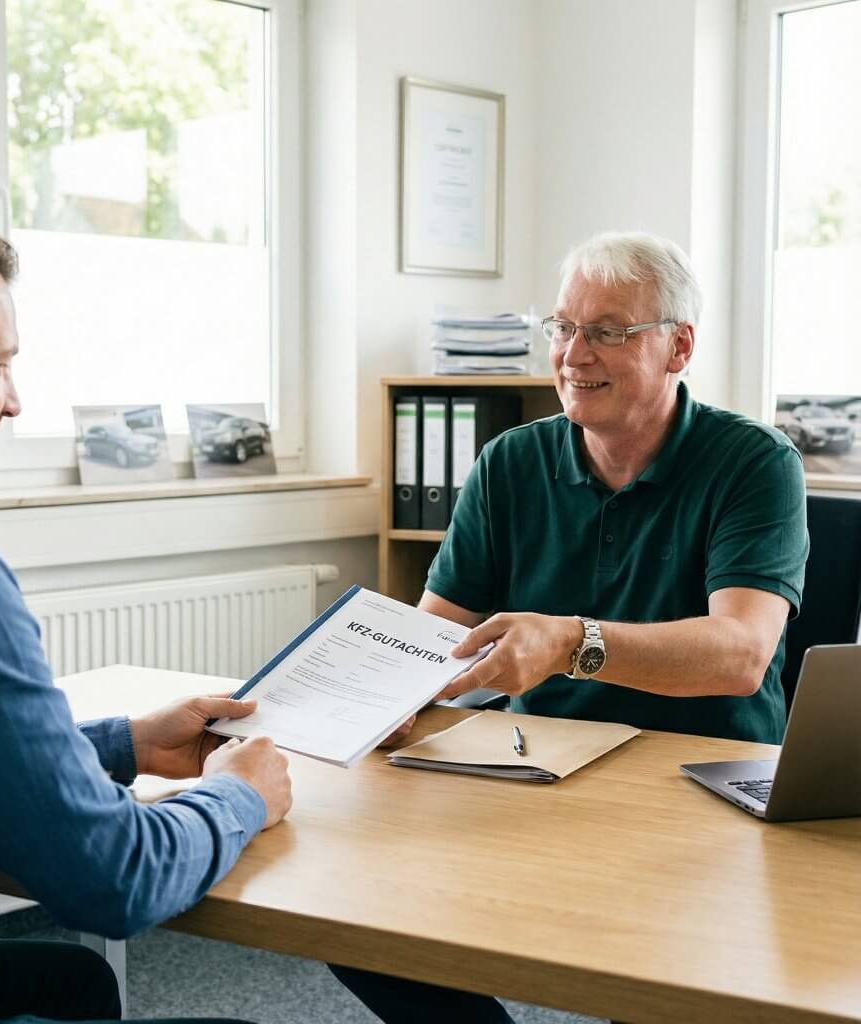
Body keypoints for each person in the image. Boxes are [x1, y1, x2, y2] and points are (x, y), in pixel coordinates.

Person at [329, 231, 809, 1024]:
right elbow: (435, 635)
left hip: (703, 790)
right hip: (536, 775)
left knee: (656, 984)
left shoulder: (755, 463)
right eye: (562, 327)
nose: (573, 354)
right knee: (355, 916)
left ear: (678, 346)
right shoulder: (510, 463)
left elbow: (740, 655)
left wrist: (570, 642)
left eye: (608, 332)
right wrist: (378, 692)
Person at [0, 203, 293, 1024]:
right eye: (2, 363)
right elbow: (115, 880)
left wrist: (124, 744)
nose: (13, 402)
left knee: (71, 983)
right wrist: (239, 795)